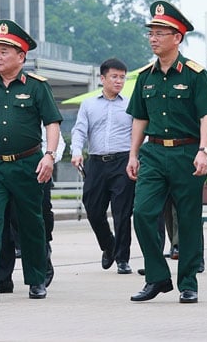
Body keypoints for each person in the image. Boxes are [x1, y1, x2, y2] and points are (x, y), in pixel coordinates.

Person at [0, 19, 61, 302]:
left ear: (21, 56)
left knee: (31, 224)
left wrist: (50, 156)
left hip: (27, 165)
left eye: (4, 51)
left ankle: (35, 279)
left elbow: (52, 123)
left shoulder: (37, 87)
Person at [126, 1, 207, 304]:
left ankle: (188, 282)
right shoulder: (145, 77)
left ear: (177, 37)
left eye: (160, 33)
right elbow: (140, 117)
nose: (153, 38)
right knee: (142, 213)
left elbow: (206, 115)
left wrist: (204, 151)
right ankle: (157, 276)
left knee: (188, 220)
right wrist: (133, 154)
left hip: (187, 152)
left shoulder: (195, 74)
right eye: (151, 33)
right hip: (153, 153)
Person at [70, 57, 135, 275]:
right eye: (114, 77)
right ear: (102, 78)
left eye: (122, 78)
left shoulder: (130, 104)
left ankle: (123, 259)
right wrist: (77, 152)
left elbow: (138, 133)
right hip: (96, 162)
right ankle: (109, 245)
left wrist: (137, 157)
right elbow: (79, 130)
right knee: (93, 209)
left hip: (122, 162)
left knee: (122, 213)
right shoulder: (89, 104)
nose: (118, 81)